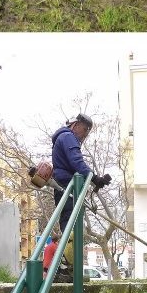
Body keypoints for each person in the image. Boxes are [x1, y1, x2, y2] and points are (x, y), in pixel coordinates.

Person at [50, 113, 112, 281]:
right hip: (67, 185)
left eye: (86, 133)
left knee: (70, 225)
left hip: (66, 185)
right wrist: (94, 178)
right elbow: (76, 161)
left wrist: (93, 180)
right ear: (75, 125)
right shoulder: (68, 137)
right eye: (84, 130)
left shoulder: (63, 138)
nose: (84, 135)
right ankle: (66, 269)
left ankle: (67, 268)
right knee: (72, 226)